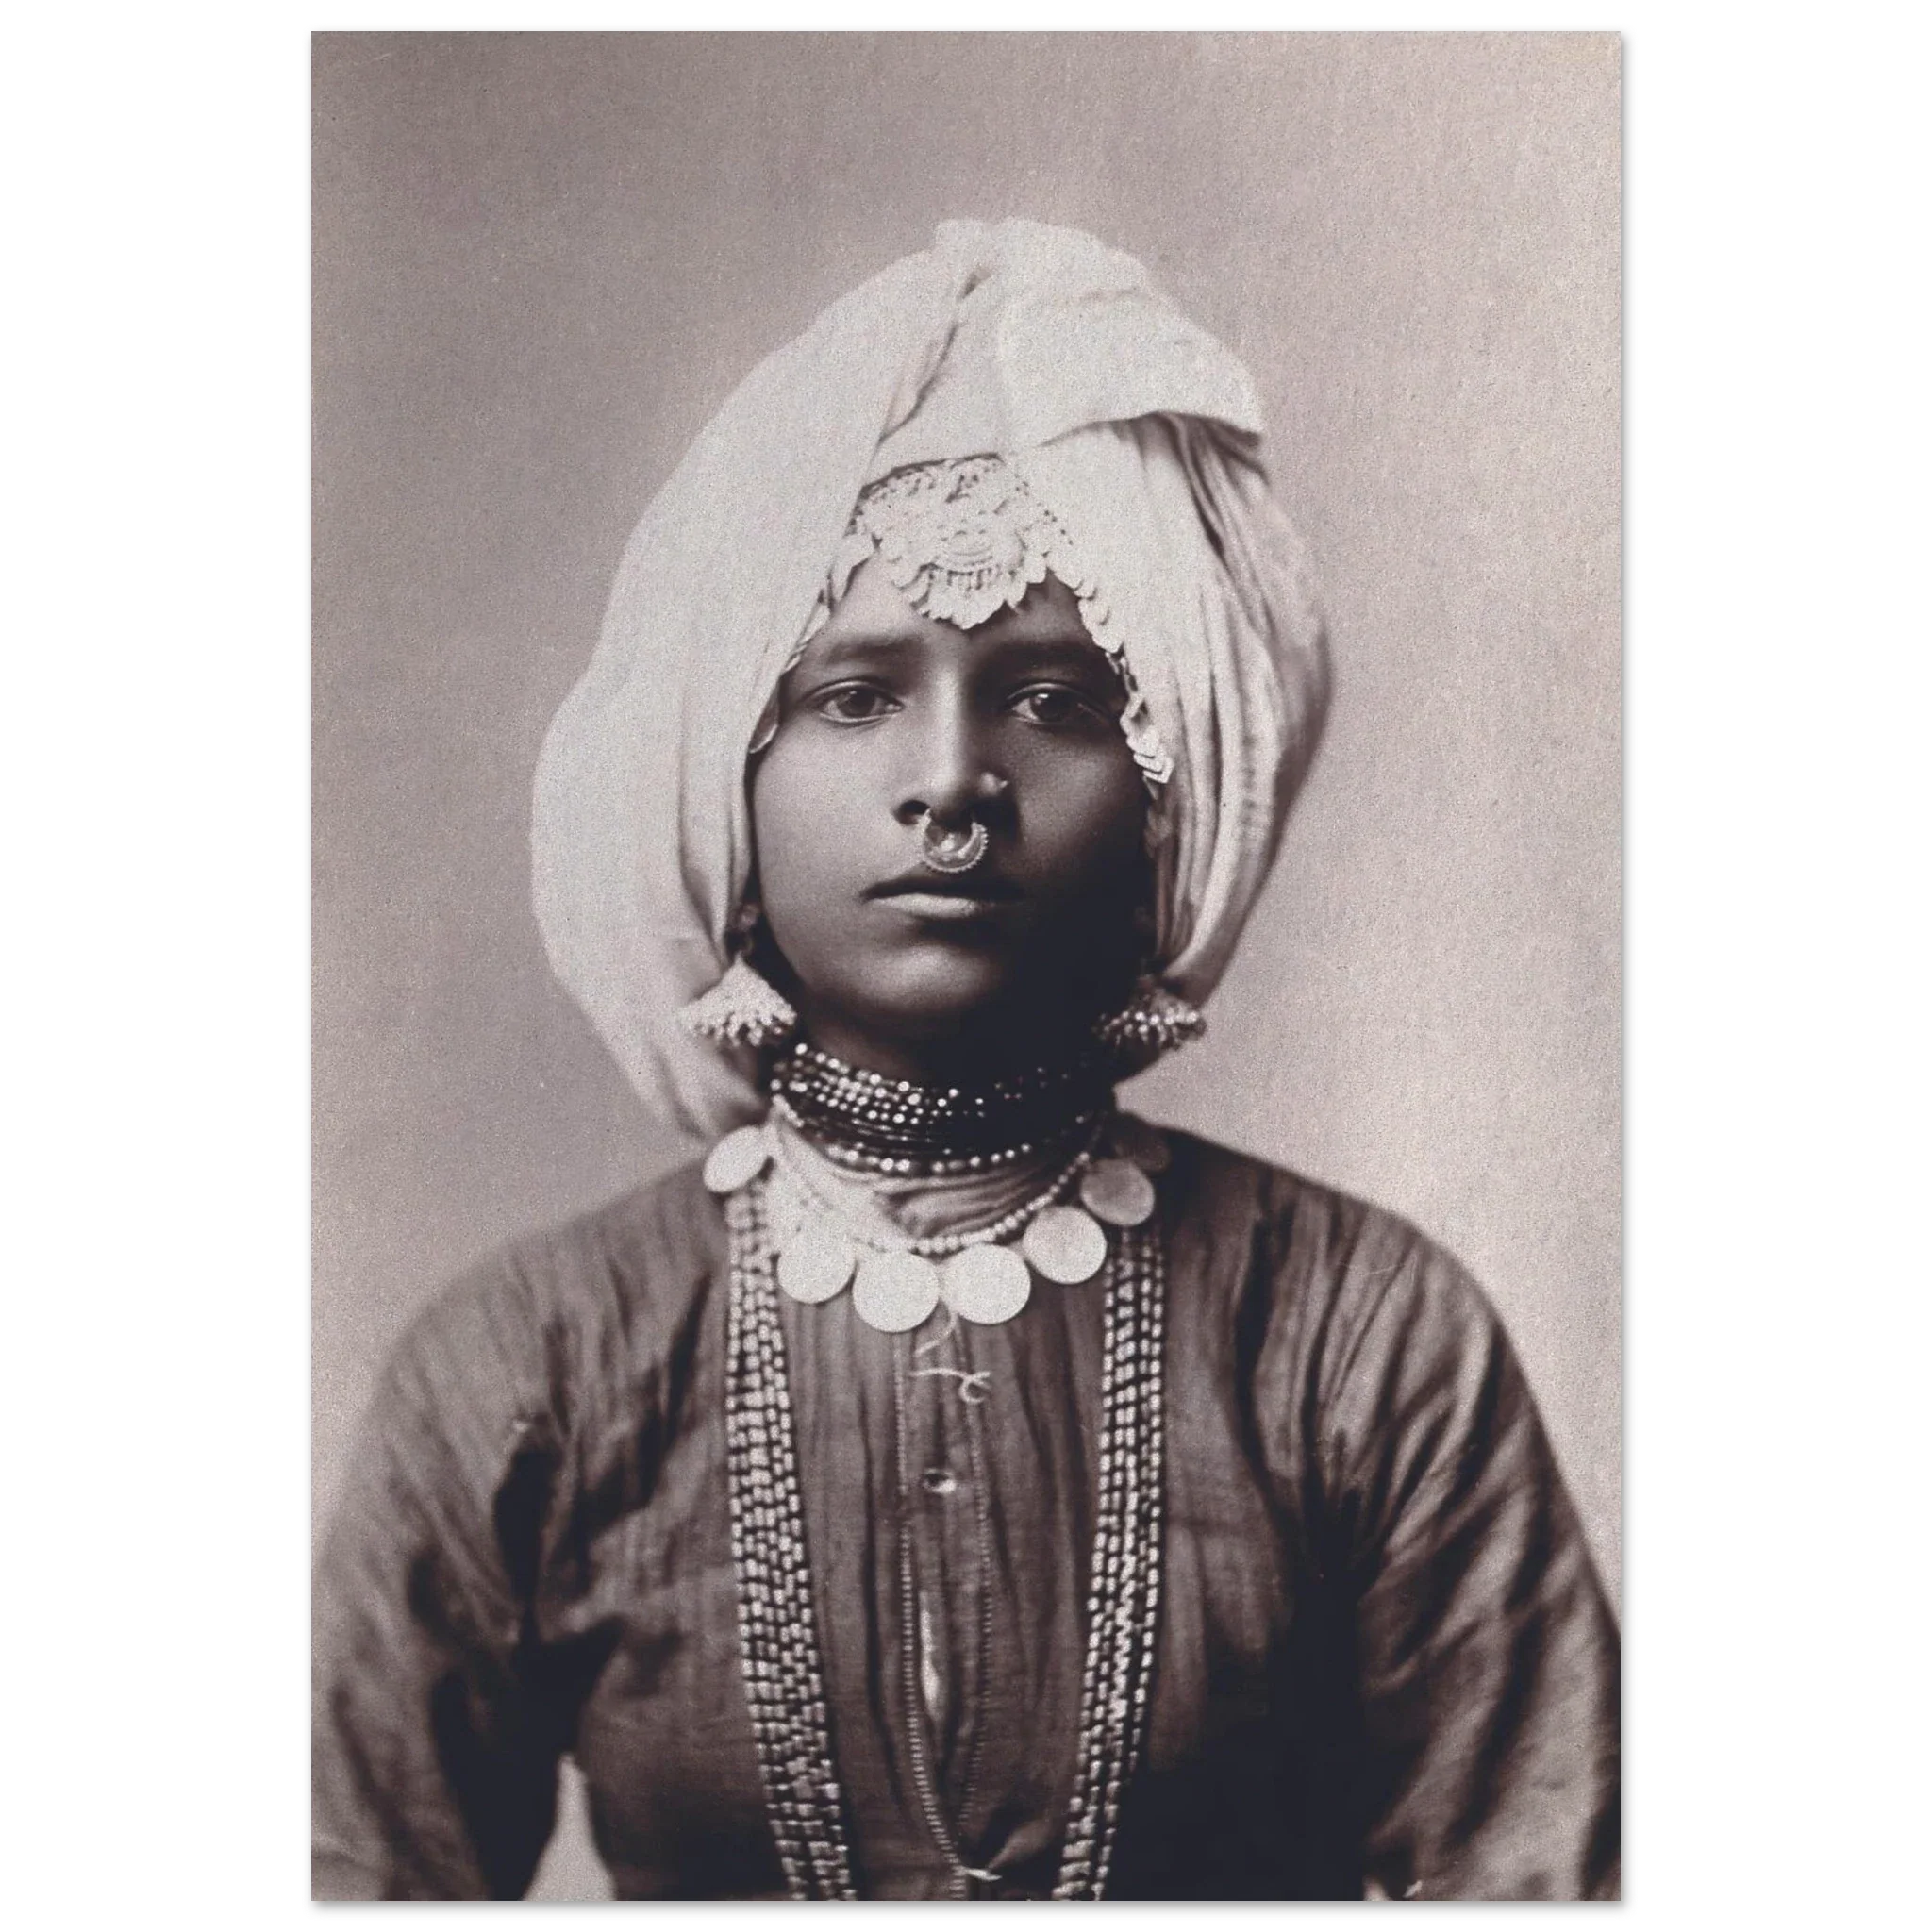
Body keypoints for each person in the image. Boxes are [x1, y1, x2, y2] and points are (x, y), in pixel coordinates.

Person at [309, 218, 1620, 1903]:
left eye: (1057, 701)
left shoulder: (1361, 1338)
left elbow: (1549, 1883)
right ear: (728, 775)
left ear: (1167, 796)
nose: (954, 779)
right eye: (856, 696)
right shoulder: (538, 1367)